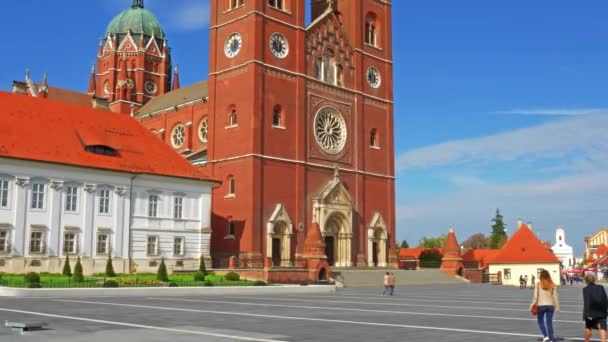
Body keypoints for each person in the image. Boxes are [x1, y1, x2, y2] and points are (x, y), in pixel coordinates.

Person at [531, 270, 560, 342]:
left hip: (541, 305)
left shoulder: (538, 284)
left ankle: (545, 336)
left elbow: (535, 297)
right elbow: (555, 297)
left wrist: (532, 305)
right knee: (549, 322)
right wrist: (557, 307)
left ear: (541, 276)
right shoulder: (553, 284)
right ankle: (551, 338)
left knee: (540, 321)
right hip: (550, 306)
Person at [583, 273, 608, 342]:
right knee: (603, 327)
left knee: (588, 327)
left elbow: (587, 301)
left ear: (586, 280)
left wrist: (587, 314)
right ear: (594, 279)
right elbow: (605, 299)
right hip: (601, 311)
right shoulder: (601, 287)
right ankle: (603, 341)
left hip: (591, 312)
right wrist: (605, 310)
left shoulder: (585, 289)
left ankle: (587, 341)